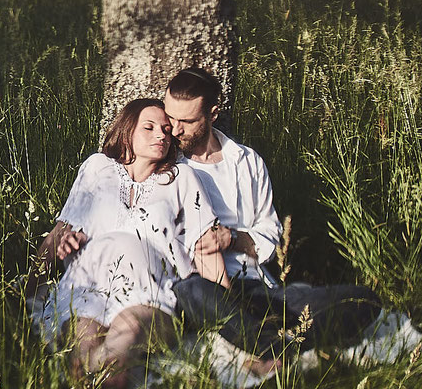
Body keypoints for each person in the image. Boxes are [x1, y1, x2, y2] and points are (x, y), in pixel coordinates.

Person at [163, 67, 383, 359]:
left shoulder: (246, 161)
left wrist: (233, 238)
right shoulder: (165, 165)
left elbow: (270, 234)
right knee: (192, 290)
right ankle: (272, 345)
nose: (175, 130)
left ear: (213, 114)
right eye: (171, 118)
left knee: (363, 301)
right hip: (204, 289)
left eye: (187, 121)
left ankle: (268, 340)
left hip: (257, 288)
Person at [30, 99, 240, 389]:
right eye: (150, 127)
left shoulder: (181, 178)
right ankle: (91, 382)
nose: (162, 135)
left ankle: (100, 376)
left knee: (127, 334)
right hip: (87, 285)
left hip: (148, 291)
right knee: (83, 333)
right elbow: (62, 228)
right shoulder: (97, 168)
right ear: (127, 129)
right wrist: (32, 285)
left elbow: (204, 245)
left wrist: (229, 313)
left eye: (167, 130)